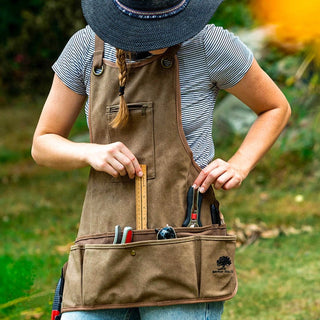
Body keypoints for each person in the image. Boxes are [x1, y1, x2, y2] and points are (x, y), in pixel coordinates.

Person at [32, 0, 291, 319]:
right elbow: (42, 143)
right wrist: (90, 152)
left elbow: (275, 107)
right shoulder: (86, 48)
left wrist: (240, 163)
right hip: (103, 252)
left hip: (183, 252)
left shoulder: (209, 44)